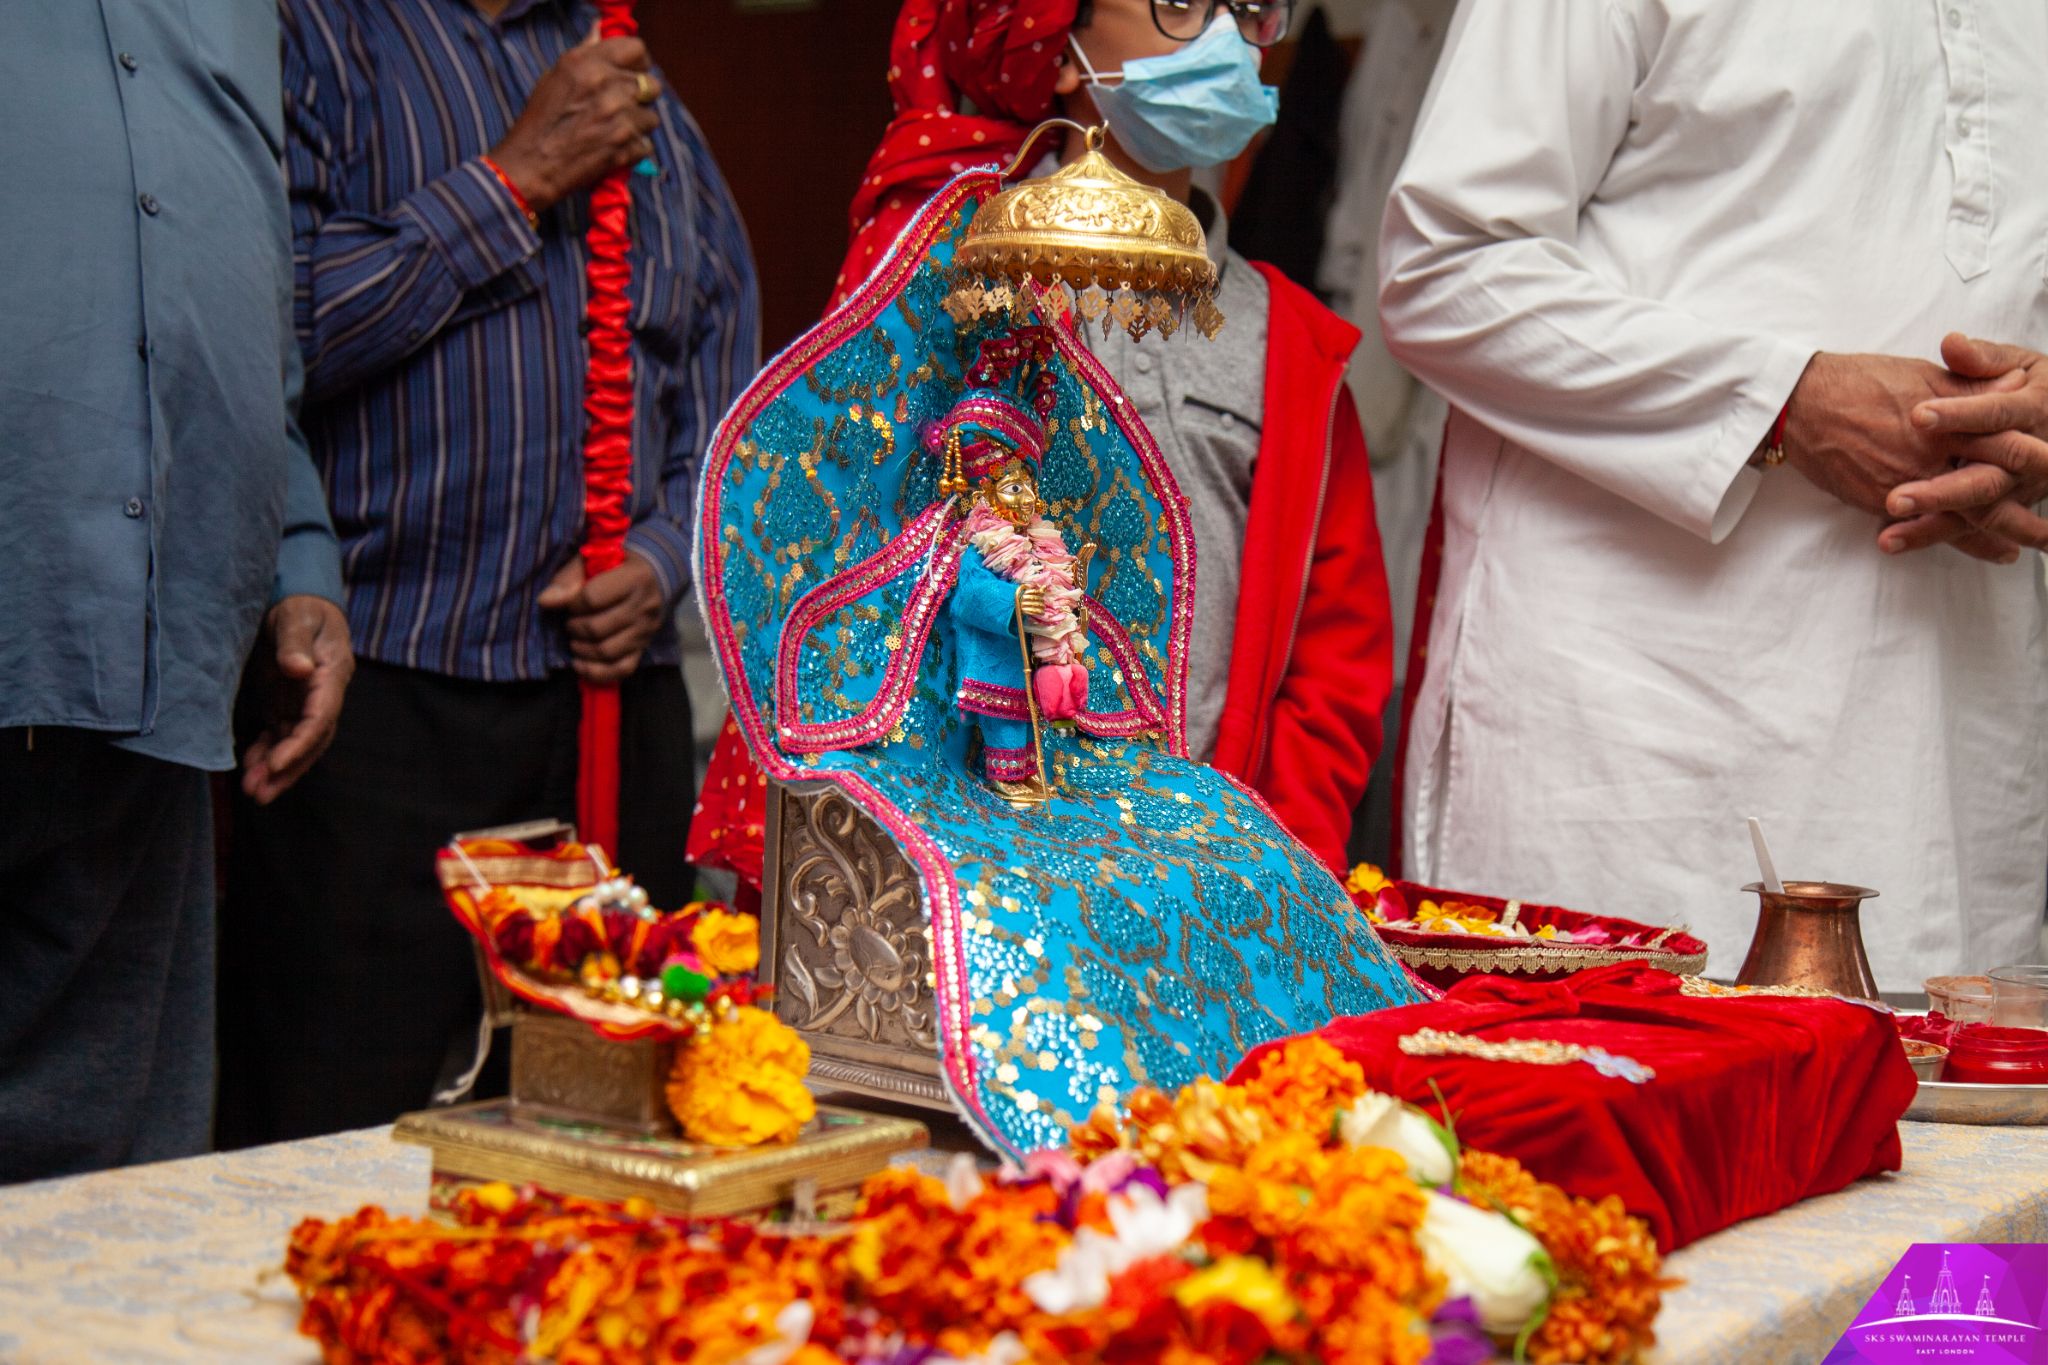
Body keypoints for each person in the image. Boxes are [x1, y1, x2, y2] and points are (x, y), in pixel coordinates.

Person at [1378, 0, 2048, 987]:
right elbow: (1443, 267)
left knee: (1932, 1108)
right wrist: (1780, 402)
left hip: (1948, 717)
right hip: (1636, 710)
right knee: (1602, 1097)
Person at [691, 0, 1395, 887]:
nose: (1224, 37)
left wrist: (1268, 869)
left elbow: (1335, 668)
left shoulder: (1292, 346)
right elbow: (849, 577)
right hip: (974, 862)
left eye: (1248, 8)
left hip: (1209, 871)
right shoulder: (959, 278)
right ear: (1057, 50)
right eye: (1179, 5)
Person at [217, 0, 759, 1147]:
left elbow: (724, 397)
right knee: (338, 1144)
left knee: (614, 1140)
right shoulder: (314, 37)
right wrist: (511, 182)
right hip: (377, 712)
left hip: (613, 711)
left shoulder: (640, 88)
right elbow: (261, 330)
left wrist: (662, 562)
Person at [0, 7, 351, 1181]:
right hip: (29, 588)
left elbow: (259, 305)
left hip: (161, 662)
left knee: (117, 1192)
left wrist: (299, 559)